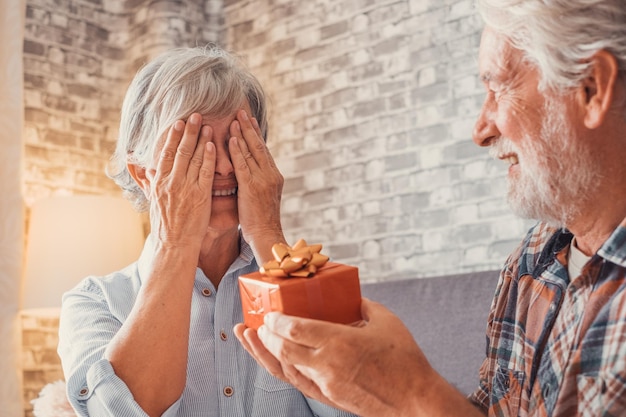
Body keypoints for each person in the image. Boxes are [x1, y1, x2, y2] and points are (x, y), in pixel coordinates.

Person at [234, 0, 626, 416]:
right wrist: (365, 394)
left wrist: (411, 394)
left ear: (591, 88)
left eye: (498, 88)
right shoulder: (533, 261)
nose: (481, 129)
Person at [57, 46, 358, 417]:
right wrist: (176, 242)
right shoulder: (94, 302)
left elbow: (359, 406)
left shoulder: (316, 285)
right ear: (144, 174)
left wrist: (267, 232)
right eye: (197, 148)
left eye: (240, 143)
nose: (225, 168)